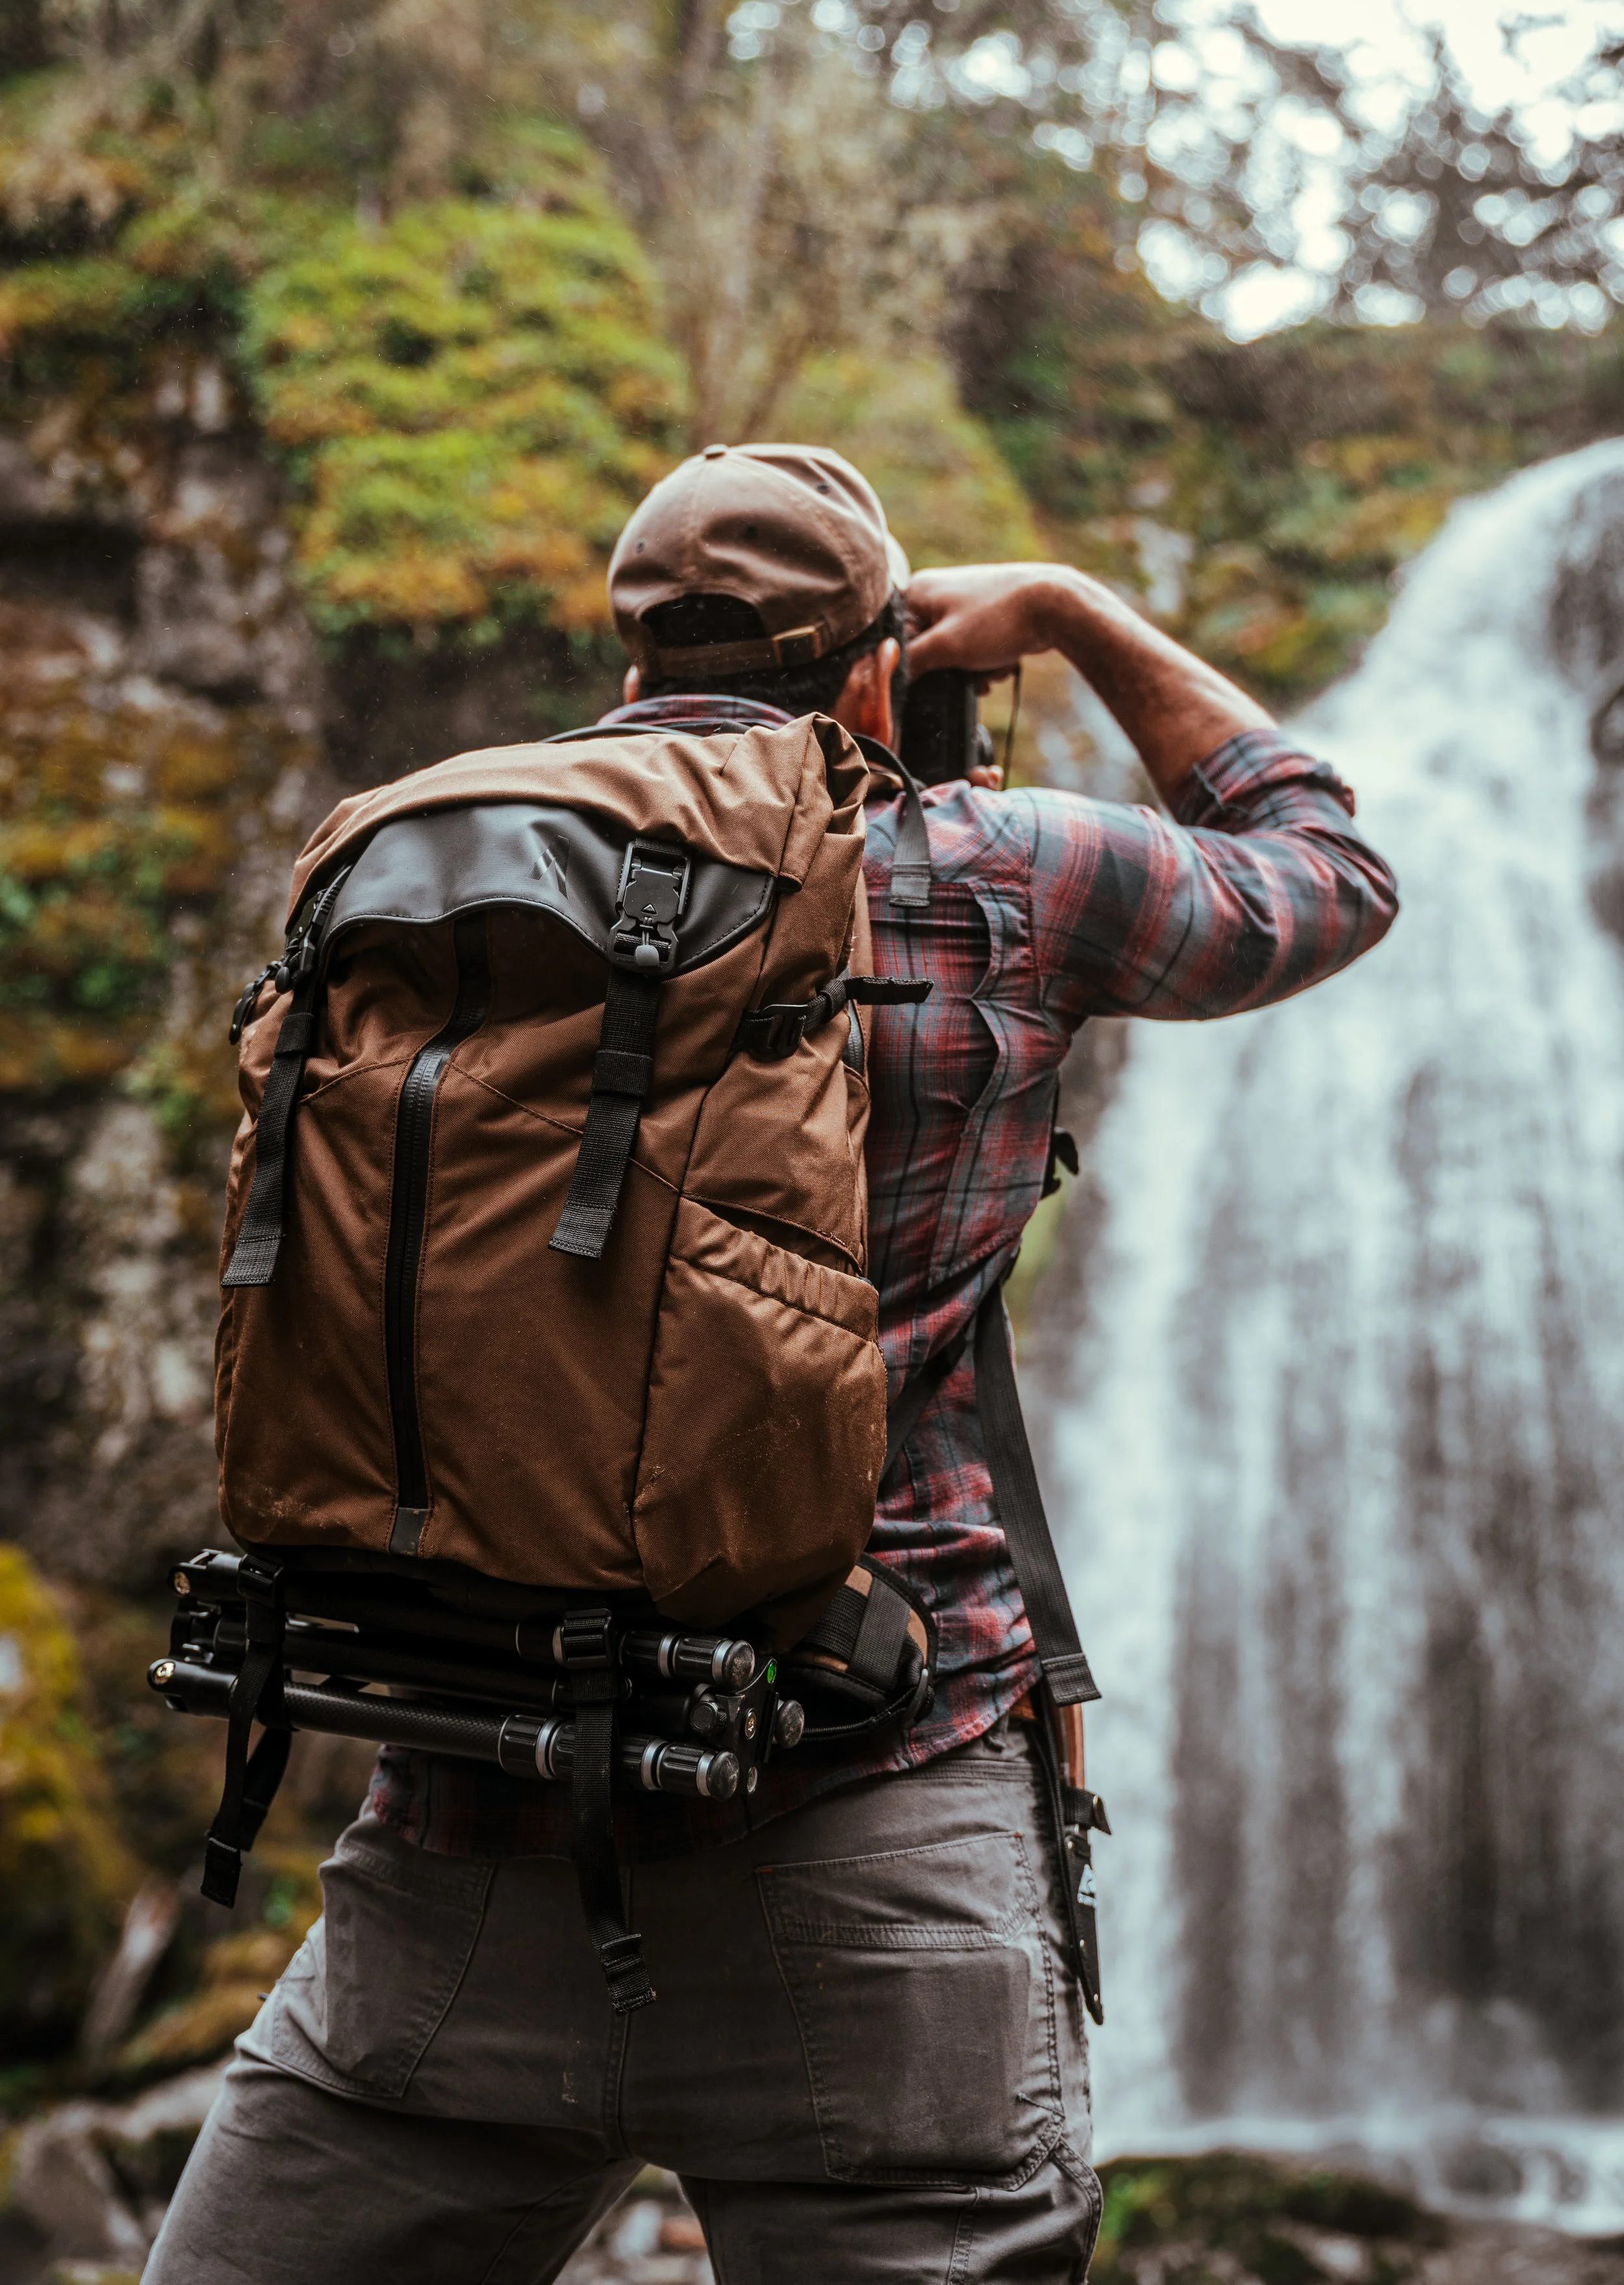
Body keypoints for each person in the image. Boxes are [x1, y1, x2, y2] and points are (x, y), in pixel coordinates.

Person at [148, 445, 1397, 2285]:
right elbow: (1326, 868)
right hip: (874, 1830)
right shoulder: (993, 868)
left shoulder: (420, 857)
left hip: (467, 1829)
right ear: (877, 664)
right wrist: (1066, 608)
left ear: (631, 655)